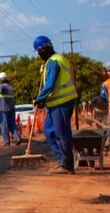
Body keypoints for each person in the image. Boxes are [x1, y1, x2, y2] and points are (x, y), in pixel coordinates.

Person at [33, 35, 77, 173]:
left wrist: (39, 98)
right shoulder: (54, 60)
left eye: (38, 51)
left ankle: (67, 165)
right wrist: (43, 101)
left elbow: (50, 84)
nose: (38, 55)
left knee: (61, 133)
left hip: (61, 103)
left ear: (43, 49)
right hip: (55, 103)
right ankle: (61, 159)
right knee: (49, 131)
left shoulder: (54, 61)